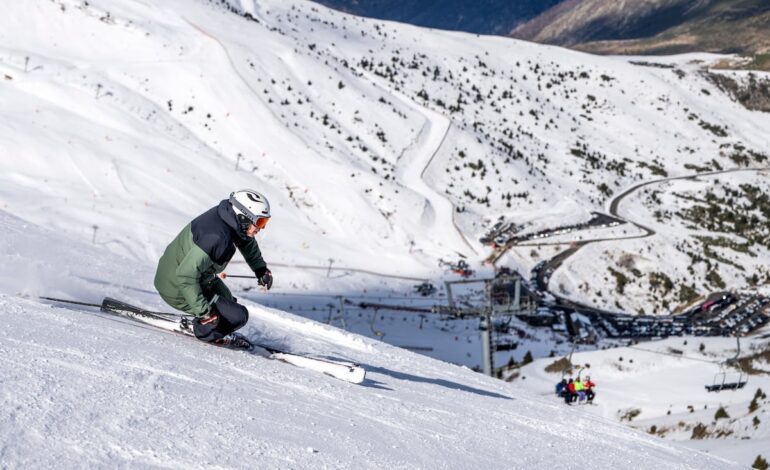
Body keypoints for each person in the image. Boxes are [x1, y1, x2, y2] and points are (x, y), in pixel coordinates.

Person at [154, 190, 273, 347]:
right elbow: (185, 276)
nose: (261, 228)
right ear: (244, 216)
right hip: (176, 287)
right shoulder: (216, 237)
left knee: (229, 304)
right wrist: (205, 313)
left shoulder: (229, 218)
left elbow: (246, 241)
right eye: (259, 222)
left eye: (264, 222)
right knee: (238, 316)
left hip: (191, 278)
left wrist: (260, 269)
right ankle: (204, 330)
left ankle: (210, 322)